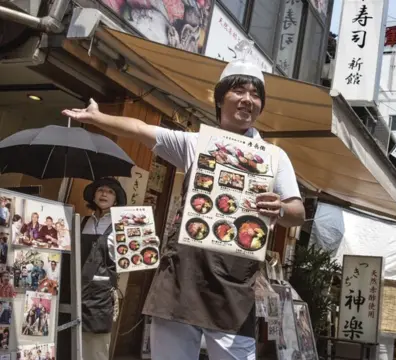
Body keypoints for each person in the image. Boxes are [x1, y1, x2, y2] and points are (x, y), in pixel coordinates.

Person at [62, 41, 305, 359]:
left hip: (235, 283)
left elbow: (297, 212)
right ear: (221, 99)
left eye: (255, 94)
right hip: (182, 275)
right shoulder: (195, 144)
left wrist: (282, 208)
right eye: (239, 91)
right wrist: (98, 118)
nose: (248, 100)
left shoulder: (274, 157)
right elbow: (140, 128)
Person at [79, 177, 126, 360]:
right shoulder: (82, 222)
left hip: (100, 295)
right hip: (75, 289)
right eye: (100, 190)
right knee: (69, 342)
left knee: (95, 349)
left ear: (117, 200)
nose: (104, 194)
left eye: (110, 191)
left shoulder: (120, 227)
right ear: (93, 195)